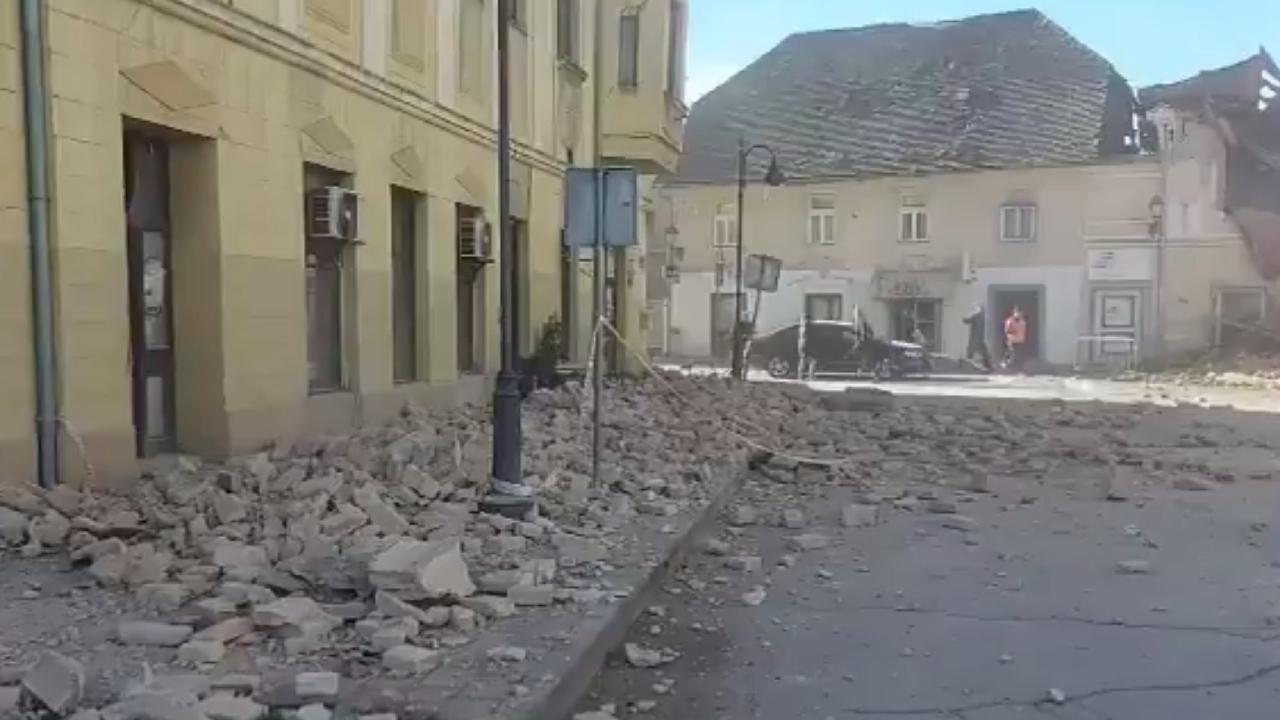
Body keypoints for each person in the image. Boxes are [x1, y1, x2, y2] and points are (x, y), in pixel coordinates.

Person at [963, 304, 992, 371]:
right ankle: (986, 366)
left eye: (978, 308)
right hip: (977, 338)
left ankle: (987, 366)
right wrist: (973, 314)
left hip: (978, 338)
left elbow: (965, 320)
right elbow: (965, 320)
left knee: (981, 352)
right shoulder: (977, 316)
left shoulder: (978, 316)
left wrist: (973, 313)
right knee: (979, 352)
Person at [1004, 306, 1028, 372]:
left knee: (1019, 355)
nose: (1018, 314)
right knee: (1011, 354)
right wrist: (1009, 338)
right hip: (1012, 340)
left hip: (1020, 341)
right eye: (1017, 312)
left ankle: (1018, 368)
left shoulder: (1023, 321)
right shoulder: (1010, 321)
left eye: (1019, 313)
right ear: (1014, 313)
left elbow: (1024, 331)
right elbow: (1007, 330)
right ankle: (1008, 366)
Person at [797, 313, 815, 380]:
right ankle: (810, 376)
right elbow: (806, 337)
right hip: (804, 344)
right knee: (811, 361)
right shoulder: (806, 327)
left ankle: (800, 375)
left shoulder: (802, 327)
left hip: (801, 344)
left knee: (803, 360)